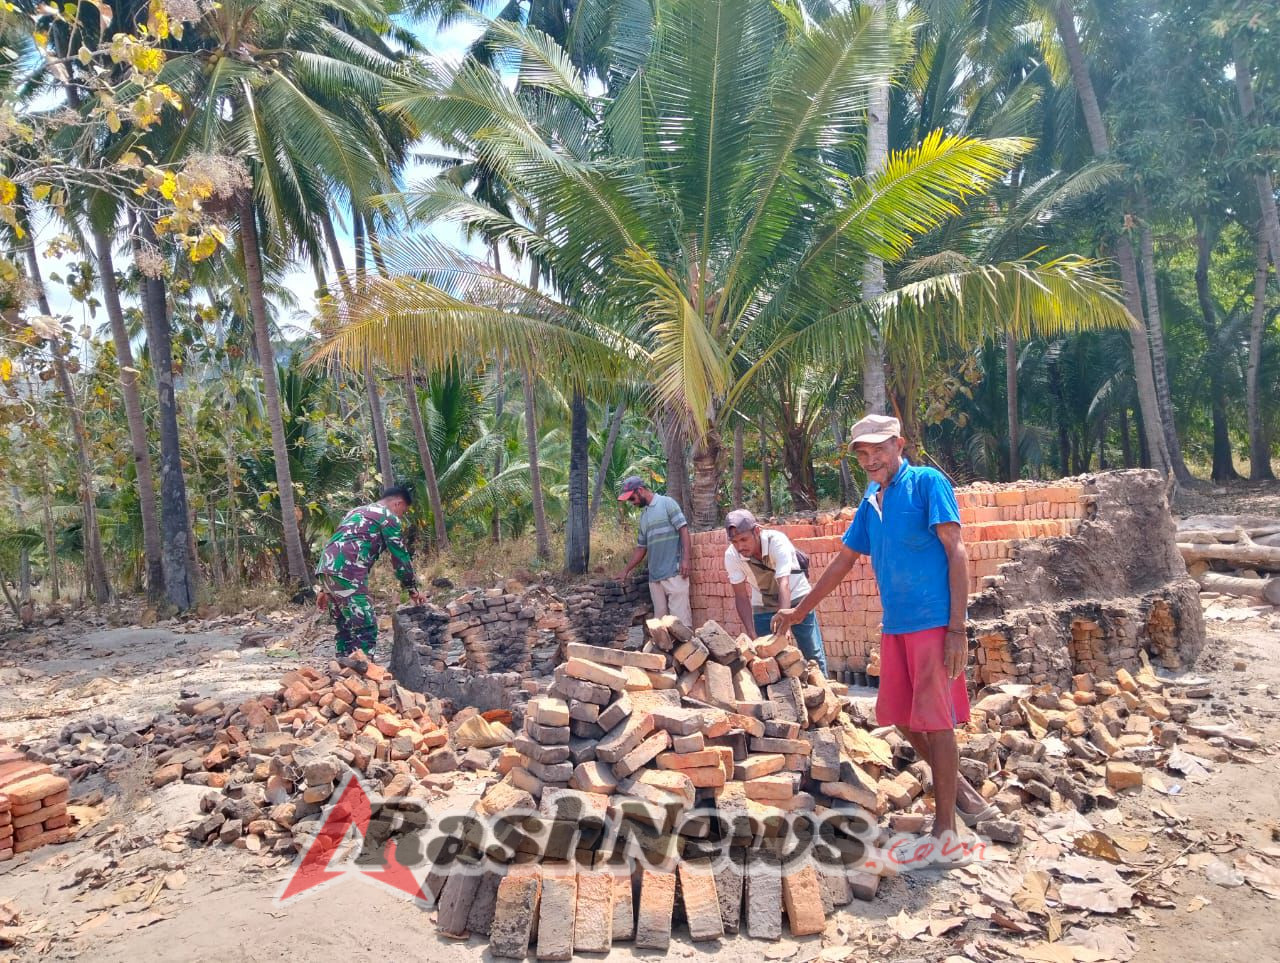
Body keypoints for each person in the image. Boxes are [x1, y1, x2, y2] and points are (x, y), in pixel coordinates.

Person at [772, 414, 995, 844]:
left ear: (900, 445)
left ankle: (946, 828)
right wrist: (800, 610)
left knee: (937, 722)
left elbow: (957, 551)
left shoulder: (927, 483)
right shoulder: (872, 499)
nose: (872, 460)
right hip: (895, 626)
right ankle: (962, 791)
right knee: (899, 716)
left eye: (879, 450)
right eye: (863, 455)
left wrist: (957, 629)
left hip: (933, 622)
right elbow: (843, 561)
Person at [315, 484, 426, 658]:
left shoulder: (357, 511)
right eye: (403, 512)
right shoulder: (388, 517)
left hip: (327, 568)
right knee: (366, 626)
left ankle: (343, 674)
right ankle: (363, 674)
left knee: (345, 627)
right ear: (397, 503)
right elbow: (400, 557)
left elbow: (341, 541)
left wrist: (325, 588)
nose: (401, 517)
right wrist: (412, 589)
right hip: (349, 571)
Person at [723, 509, 828, 675]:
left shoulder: (776, 541)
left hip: (796, 598)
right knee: (766, 660)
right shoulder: (731, 555)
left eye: (744, 539)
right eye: (734, 542)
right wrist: (751, 633)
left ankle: (826, 692)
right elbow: (741, 596)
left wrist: (784, 626)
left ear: (757, 531)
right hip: (763, 604)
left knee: (812, 653)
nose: (740, 546)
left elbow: (784, 583)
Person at [615, 476, 694, 628]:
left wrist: (685, 560)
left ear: (640, 490)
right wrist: (626, 570)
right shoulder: (644, 516)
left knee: (681, 625)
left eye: (632, 498)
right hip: (655, 579)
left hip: (674, 573)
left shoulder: (667, 504)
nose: (632, 503)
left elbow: (683, 530)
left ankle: (689, 652)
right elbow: (641, 548)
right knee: (660, 628)